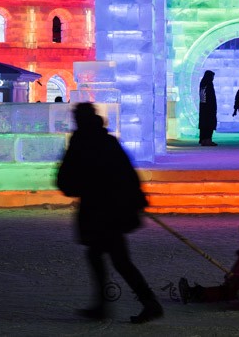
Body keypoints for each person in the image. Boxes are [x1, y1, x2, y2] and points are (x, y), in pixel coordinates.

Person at [56, 102, 163, 324]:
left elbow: (67, 180)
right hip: (113, 210)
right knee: (109, 258)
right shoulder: (107, 141)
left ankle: (144, 303)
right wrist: (134, 199)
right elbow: (127, 173)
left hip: (99, 211)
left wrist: (82, 185)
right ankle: (112, 305)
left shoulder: (81, 143)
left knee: (113, 259)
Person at [198, 70, 218, 147]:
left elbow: (203, 97)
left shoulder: (203, 82)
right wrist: (210, 106)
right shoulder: (208, 83)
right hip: (208, 108)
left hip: (204, 108)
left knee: (204, 124)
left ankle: (204, 139)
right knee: (209, 124)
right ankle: (207, 140)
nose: (213, 78)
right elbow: (208, 97)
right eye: (212, 76)